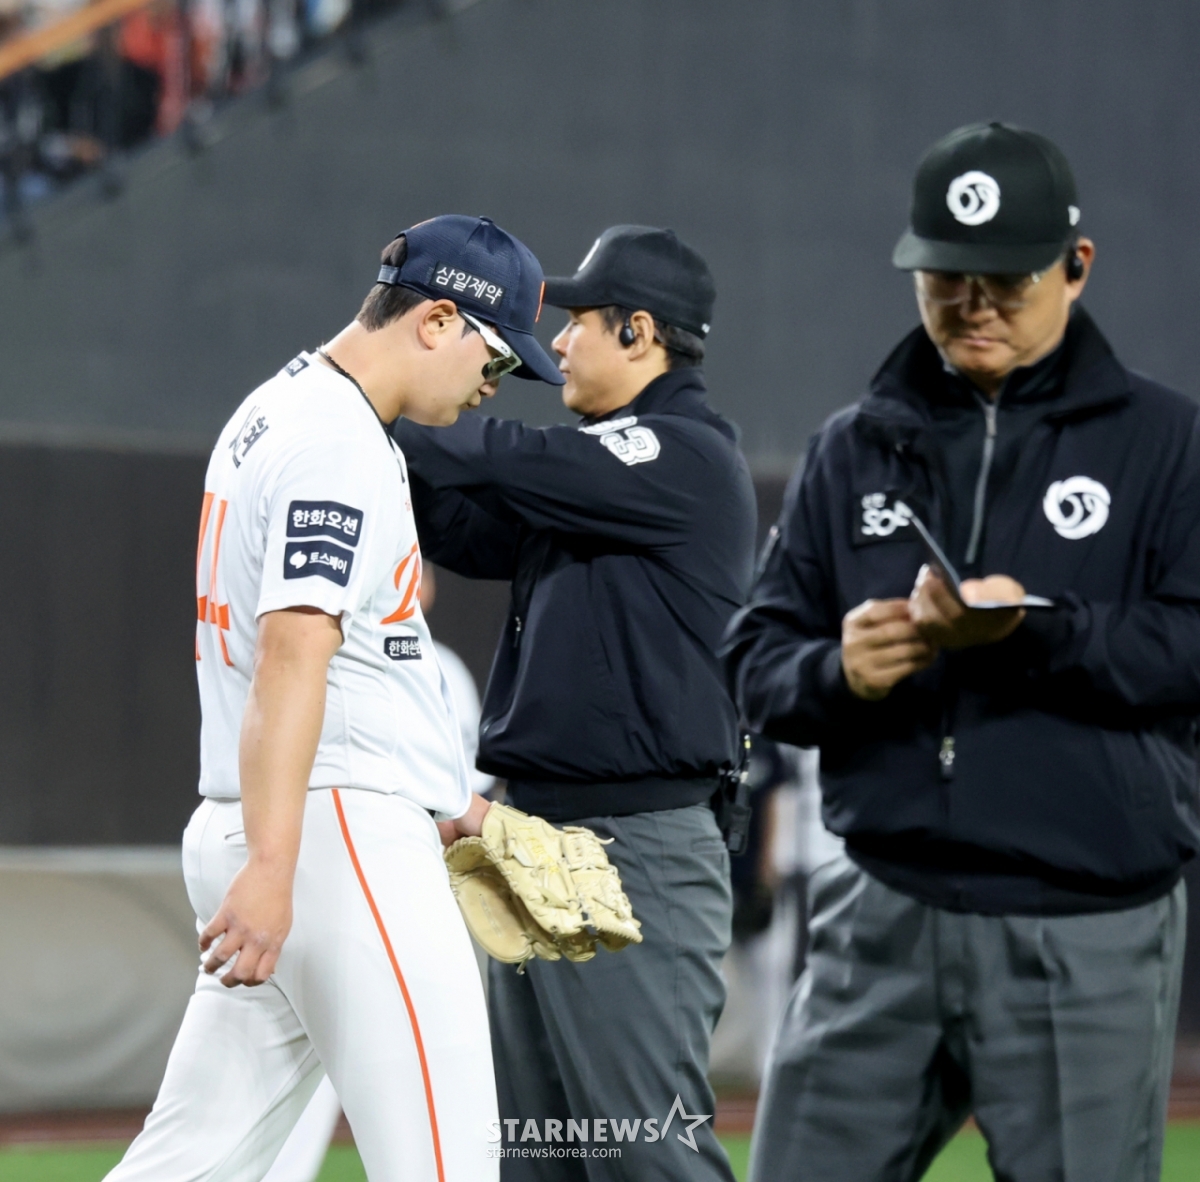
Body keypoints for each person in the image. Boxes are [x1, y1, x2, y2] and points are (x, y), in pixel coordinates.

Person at [723, 121, 1200, 1182]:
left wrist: (1034, 631)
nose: (973, 302)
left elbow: (1188, 647)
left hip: (1081, 926)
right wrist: (832, 671)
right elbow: (755, 657)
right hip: (879, 908)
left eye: (1004, 277)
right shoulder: (856, 445)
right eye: (946, 274)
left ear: (1077, 268)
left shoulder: (1167, 445)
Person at [104, 213, 564, 1182]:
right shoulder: (338, 441)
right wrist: (278, 866)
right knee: (448, 1166)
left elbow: (334, 659)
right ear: (438, 319)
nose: (496, 384)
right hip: (329, 836)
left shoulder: (283, 407)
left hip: (287, 827)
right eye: (497, 356)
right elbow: (292, 654)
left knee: (188, 1165)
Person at [394, 224, 756, 1181]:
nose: (557, 343)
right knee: (541, 1155)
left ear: (639, 331)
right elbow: (466, 522)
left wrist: (388, 391)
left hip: (633, 845)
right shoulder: (601, 478)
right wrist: (379, 437)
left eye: (579, 322)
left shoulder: (684, 453)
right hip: (535, 836)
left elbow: (501, 455)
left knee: (645, 1156)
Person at [260, 563, 494, 1182]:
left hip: (407, 866)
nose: (417, 583)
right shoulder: (326, 644)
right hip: (360, 868)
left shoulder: (436, 665)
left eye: (422, 571)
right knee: (425, 1093)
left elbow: (461, 793)